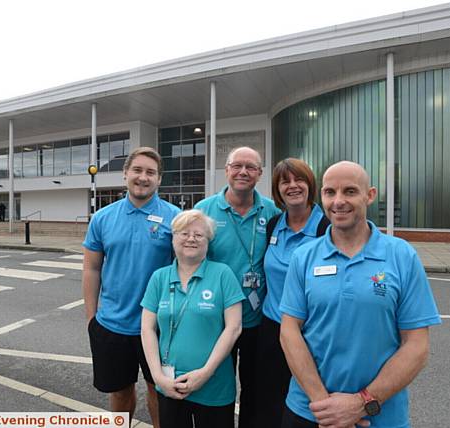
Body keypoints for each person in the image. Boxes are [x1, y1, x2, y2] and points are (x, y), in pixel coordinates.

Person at [279, 161, 441, 428]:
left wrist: (360, 403)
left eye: (350, 191)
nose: (338, 201)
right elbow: (289, 333)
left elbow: (417, 346)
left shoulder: (401, 255)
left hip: (379, 416)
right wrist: (328, 408)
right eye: (330, 192)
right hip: (310, 412)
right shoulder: (304, 257)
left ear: (370, 195)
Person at [82, 147, 180, 428]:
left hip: (160, 327)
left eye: (150, 172)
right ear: (125, 174)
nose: (143, 177)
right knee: (120, 392)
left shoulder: (175, 218)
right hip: (112, 325)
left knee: (159, 391)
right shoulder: (102, 218)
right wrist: (92, 319)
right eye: (137, 170)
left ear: (159, 179)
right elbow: (91, 269)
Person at [194, 146, 280, 428]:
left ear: (260, 174)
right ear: (227, 169)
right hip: (217, 320)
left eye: (251, 167)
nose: (243, 171)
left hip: (258, 319)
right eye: (237, 165)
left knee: (256, 387)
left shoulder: (272, 212)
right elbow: (190, 263)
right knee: (218, 385)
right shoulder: (204, 210)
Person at [140, 209, 244, 428]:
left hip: (214, 387)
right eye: (183, 233)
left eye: (198, 235)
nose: (191, 239)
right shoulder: (159, 278)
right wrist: (158, 378)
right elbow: (147, 329)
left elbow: (234, 328)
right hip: (170, 385)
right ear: (173, 238)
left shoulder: (223, 274)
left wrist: (205, 373)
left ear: (208, 241)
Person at [255, 158, 329, 428]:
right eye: (285, 181)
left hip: (312, 333)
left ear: (310, 184)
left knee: (310, 406)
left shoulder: (327, 228)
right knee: (270, 402)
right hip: (272, 328)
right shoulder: (274, 225)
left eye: (299, 180)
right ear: (277, 189)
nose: (293, 186)